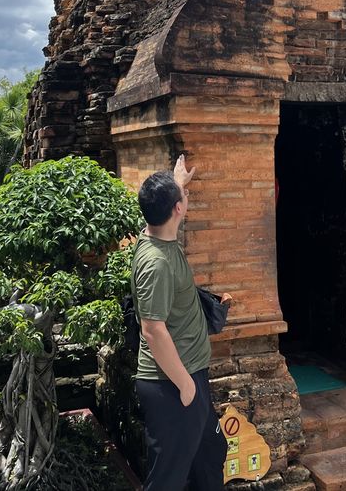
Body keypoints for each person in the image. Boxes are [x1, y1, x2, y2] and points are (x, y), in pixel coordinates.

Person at [131, 155, 228, 491]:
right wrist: (186, 386)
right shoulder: (156, 263)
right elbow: (153, 330)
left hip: (188, 375)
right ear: (177, 210)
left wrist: (177, 184)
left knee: (210, 455)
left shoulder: (158, 234)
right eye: (183, 198)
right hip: (172, 383)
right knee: (168, 479)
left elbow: (165, 208)